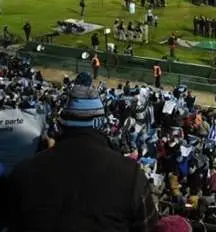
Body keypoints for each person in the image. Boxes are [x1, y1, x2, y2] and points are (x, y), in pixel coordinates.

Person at [2, 84, 159, 231]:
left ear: (62, 125)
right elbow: (148, 228)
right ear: (101, 124)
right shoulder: (131, 175)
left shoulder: (24, 172)